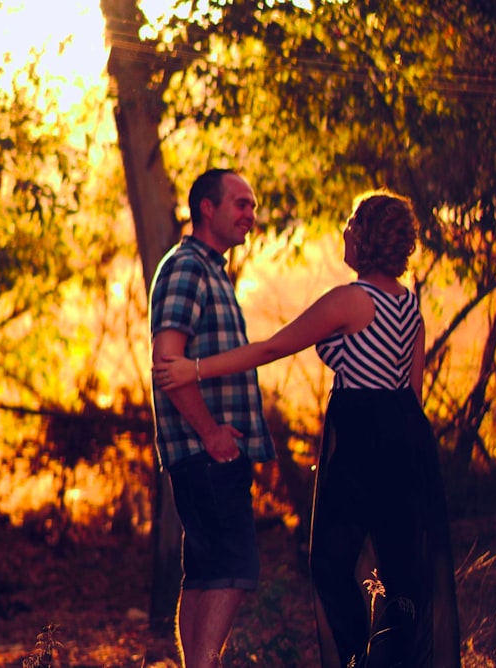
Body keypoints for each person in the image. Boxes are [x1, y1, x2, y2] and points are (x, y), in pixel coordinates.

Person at [154, 189, 461, 667]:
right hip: (406, 439)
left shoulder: (351, 300)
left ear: (366, 238)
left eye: (352, 224)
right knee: (403, 572)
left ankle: (361, 659)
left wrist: (195, 370)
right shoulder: (410, 308)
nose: (345, 230)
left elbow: (272, 349)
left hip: (360, 438)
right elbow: (411, 394)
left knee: (331, 565)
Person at [148, 168, 277, 668]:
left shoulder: (210, 269)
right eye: (241, 204)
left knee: (205, 572)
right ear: (208, 207)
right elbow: (168, 364)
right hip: (206, 451)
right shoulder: (188, 268)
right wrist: (211, 433)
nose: (250, 214)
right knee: (232, 568)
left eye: (251, 204)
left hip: (207, 451)